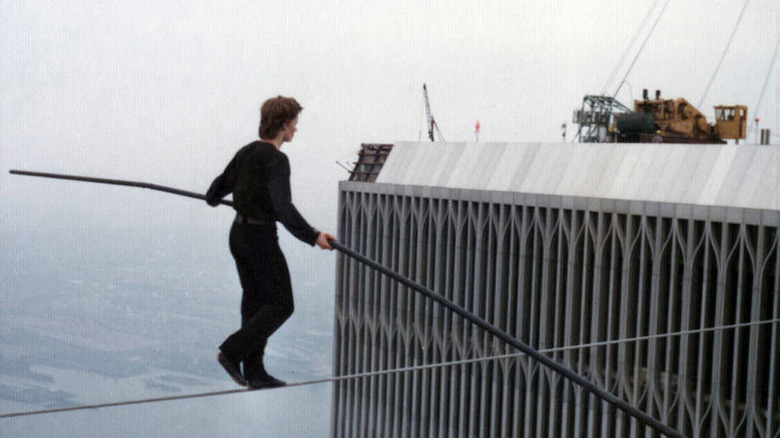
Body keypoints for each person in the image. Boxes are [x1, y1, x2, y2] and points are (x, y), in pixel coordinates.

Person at [205, 96, 336, 389]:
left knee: (255, 302)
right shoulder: (277, 160)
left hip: (238, 236)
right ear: (283, 124)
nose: (296, 130)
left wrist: (238, 195)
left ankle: (254, 371)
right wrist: (314, 236)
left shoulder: (246, 152)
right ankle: (231, 352)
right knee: (281, 304)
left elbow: (214, 193)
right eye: (294, 124)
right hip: (260, 238)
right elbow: (283, 208)